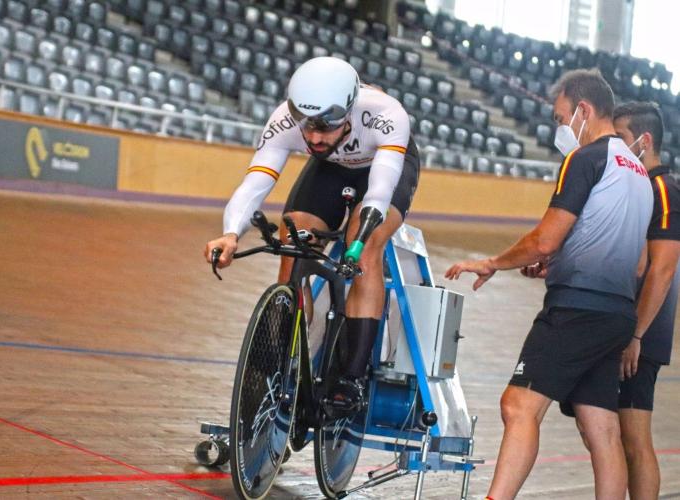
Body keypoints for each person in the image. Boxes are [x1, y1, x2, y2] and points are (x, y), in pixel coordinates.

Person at [444, 68, 653, 499]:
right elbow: (634, 263)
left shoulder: (585, 159)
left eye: (561, 118)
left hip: (576, 310)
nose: (560, 128)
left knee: (518, 404)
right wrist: (560, 263)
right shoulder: (637, 171)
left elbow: (544, 239)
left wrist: (494, 263)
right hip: (616, 313)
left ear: (583, 110)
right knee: (601, 428)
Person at [204, 57, 420, 413]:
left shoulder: (385, 114)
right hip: (330, 168)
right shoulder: (285, 120)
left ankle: (351, 377)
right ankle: (284, 356)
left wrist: (357, 242)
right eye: (307, 128)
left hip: (384, 166)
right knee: (295, 240)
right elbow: (256, 181)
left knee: (365, 249)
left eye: (326, 128)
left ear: (349, 112)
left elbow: (380, 192)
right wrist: (230, 233)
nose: (315, 138)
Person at [613, 102, 679, 498]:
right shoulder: (638, 187)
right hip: (627, 330)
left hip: (641, 336)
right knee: (616, 436)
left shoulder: (663, 189)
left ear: (645, 140)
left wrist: (636, 335)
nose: (616, 147)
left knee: (635, 441)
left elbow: (663, 269)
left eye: (621, 138)